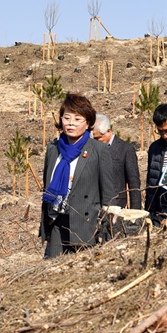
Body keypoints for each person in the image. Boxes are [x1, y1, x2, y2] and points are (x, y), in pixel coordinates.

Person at [40, 94, 114, 258]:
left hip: (86, 225)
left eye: (77, 119)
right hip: (57, 221)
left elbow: (108, 193)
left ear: (88, 122)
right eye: (66, 117)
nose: (71, 123)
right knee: (54, 270)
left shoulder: (98, 150)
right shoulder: (53, 148)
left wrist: (105, 227)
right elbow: (47, 185)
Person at [92, 114, 142, 209]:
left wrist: (135, 211)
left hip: (116, 204)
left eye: (99, 138)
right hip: (94, 205)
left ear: (108, 131)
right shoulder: (91, 148)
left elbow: (134, 183)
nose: (96, 141)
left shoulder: (125, 149)